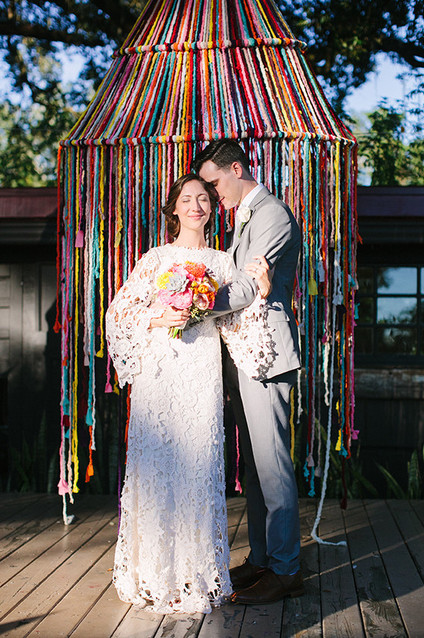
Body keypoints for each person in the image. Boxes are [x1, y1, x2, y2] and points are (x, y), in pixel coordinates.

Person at [105, 173, 270, 614]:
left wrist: (261, 291)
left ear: (212, 209)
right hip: (160, 372)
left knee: (199, 464)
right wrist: (162, 316)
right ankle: (153, 572)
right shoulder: (156, 258)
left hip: (201, 372)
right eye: (187, 199)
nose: (196, 206)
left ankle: (195, 574)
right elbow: (119, 313)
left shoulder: (222, 262)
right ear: (174, 208)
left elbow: (237, 320)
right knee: (157, 465)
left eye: (204, 199)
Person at [193, 140, 304, 605]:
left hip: (266, 356)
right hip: (243, 355)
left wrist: (191, 305)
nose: (212, 194)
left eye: (215, 183)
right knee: (255, 467)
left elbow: (243, 289)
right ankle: (262, 559)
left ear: (236, 169)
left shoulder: (273, 214)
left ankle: (286, 569)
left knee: (273, 466)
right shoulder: (244, 218)